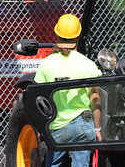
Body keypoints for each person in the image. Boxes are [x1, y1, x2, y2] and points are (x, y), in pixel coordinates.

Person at [34, 14, 102, 167]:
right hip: (83, 125)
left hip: (57, 125)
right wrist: (97, 128)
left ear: (57, 34)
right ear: (78, 36)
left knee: (53, 164)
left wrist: (40, 127)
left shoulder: (46, 64)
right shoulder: (88, 64)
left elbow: (38, 99)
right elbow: (95, 98)